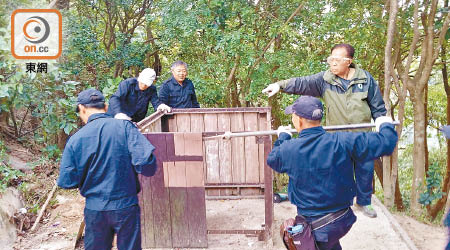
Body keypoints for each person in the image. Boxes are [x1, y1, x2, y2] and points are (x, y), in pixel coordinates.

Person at [262, 43, 385, 218]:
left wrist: (381, 121)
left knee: (365, 169)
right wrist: (280, 85)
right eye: (330, 59)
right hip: (337, 138)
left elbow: (377, 107)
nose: (332, 63)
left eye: (337, 60)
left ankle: (364, 202)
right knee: (338, 171)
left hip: (362, 136)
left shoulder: (365, 79)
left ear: (349, 61)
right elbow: (302, 83)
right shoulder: (325, 80)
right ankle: (340, 203)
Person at [267, 96, 398, 250]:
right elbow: (387, 142)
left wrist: (283, 136)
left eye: (293, 115)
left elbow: (272, 159)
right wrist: (385, 124)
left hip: (317, 226)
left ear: (299, 120)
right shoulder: (343, 141)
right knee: (330, 243)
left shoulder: (288, 149)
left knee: (323, 241)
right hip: (342, 219)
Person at [57, 89, 157, 250]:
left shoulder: (76, 140)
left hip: (95, 209)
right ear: (105, 106)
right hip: (126, 206)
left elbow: (67, 181)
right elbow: (148, 165)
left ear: (82, 109)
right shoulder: (125, 128)